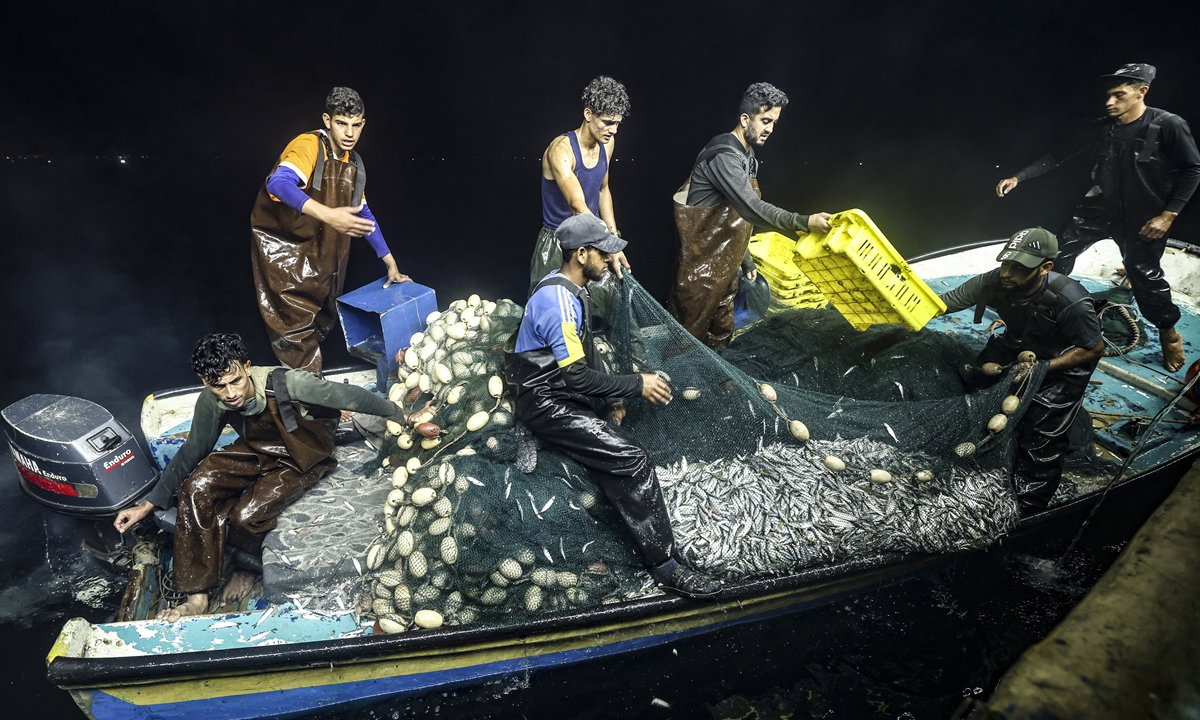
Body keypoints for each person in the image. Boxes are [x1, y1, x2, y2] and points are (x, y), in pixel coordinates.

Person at [113, 333, 409, 621]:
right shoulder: (211, 400)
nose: (230, 393)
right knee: (195, 487)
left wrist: (399, 415)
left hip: (301, 455)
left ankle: (245, 569)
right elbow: (194, 450)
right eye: (219, 386)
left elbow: (352, 396)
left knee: (246, 515)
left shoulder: (286, 381)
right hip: (256, 449)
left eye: (236, 381)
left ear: (247, 367)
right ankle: (197, 596)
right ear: (205, 382)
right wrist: (148, 505)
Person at [506, 214, 721, 597]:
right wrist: (638, 384)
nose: (610, 261)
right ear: (582, 253)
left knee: (615, 425)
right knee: (632, 458)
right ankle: (666, 567)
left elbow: (586, 357)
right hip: (545, 401)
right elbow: (576, 378)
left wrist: (614, 398)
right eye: (604, 255)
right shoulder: (557, 301)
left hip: (559, 387)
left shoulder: (573, 288)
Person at [995, 64, 1200, 373]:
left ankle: (1168, 332)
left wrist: (1168, 216)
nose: (1110, 102)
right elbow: (1058, 155)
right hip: (1098, 206)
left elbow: (1192, 169)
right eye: (1108, 96)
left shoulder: (1168, 125)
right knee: (1058, 254)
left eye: (1119, 95)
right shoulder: (1102, 126)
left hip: (1142, 214)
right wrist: (1018, 177)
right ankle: (1046, 313)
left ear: (1141, 92)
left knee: (1144, 274)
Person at [939, 228, 1105, 512]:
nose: (1007, 273)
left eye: (1019, 268)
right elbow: (944, 303)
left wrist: (1042, 369)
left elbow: (1094, 348)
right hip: (1018, 346)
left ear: (1045, 268)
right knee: (977, 385)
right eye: (1006, 263)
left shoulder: (1070, 299)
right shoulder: (994, 281)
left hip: (1061, 361)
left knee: (1042, 434)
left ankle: (1029, 506)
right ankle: (982, 453)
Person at [251, 87, 411, 376]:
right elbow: (278, 183)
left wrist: (390, 262)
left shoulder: (354, 163)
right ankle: (316, 406)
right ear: (327, 120)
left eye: (356, 125)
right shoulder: (308, 145)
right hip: (285, 252)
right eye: (341, 123)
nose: (349, 132)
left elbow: (363, 213)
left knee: (320, 322)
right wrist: (326, 213)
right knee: (295, 331)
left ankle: (311, 389)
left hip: (320, 255)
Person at [668, 82, 833, 348]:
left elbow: (733, 216)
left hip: (725, 268)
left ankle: (717, 382)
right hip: (699, 275)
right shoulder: (723, 156)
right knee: (688, 343)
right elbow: (752, 208)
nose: (770, 129)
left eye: (774, 122)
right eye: (765, 120)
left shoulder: (748, 155)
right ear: (745, 119)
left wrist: (746, 262)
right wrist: (804, 222)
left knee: (721, 333)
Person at [528, 76, 631, 322]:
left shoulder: (607, 143)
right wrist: (607, 245)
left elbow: (603, 190)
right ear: (588, 114)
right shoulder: (561, 150)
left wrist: (614, 240)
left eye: (617, 123)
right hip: (557, 242)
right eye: (607, 122)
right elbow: (578, 207)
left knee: (607, 303)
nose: (613, 130)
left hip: (593, 236)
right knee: (551, 313)